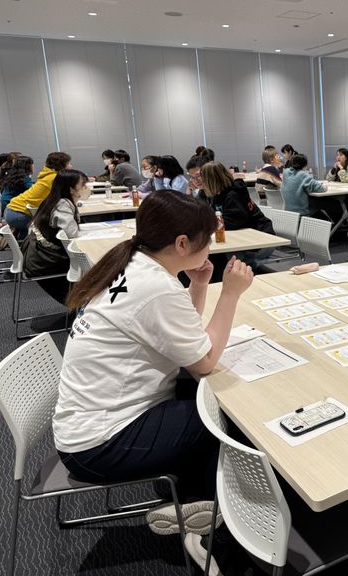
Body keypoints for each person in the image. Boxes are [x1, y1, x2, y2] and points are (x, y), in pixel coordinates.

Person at [53, 190, 254, 573]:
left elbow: (182, 339)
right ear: (182, 243)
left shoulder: (134, 263)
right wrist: (229, 294)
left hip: (87, 425)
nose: (210, 248)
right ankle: (218, 536)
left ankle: (190, 498)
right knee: (226, 420)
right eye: (206, 241)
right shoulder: (156, 287)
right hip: (100, 444)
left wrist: (198, 286)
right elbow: (205, 362)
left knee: (198, 395)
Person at [21, 169, 90, 304]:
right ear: (71, 189)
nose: (86, 188)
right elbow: (72, 233)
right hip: (45, 262)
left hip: (40, 256)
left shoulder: (55, 199)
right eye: (83, 184)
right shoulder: (63, 204)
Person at [197, 160, 276, 270]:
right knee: (212, 255)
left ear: (211, 180)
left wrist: (208, 223)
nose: (200, 181)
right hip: (245, 238)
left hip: (261, 240)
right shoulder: (217, 194)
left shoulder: (234, 194)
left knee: (222, 259)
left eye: (203, 179)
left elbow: (231, 224)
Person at [5, 151, 71, 239]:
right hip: (19, 214)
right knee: (53, 229)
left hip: (13, 210)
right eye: (68, 163)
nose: (70, 166)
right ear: (62, 165)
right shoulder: (54, 178)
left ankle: (22, 237)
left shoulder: (47, 174)